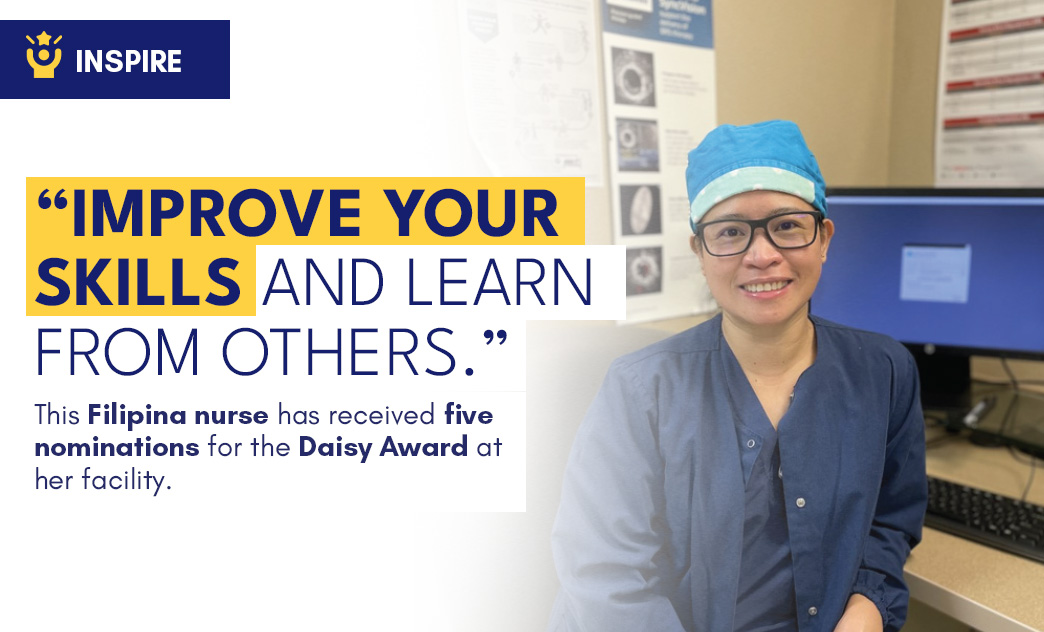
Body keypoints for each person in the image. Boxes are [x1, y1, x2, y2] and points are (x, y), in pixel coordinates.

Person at [548, 120, 927, 632]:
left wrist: (868, 608)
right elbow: (605, 577)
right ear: (700, 253)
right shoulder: (640, 391)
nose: (762, 254)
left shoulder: (884, 372)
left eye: (788, 225)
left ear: (824, 239)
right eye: (729, 232)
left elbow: (892, 520)